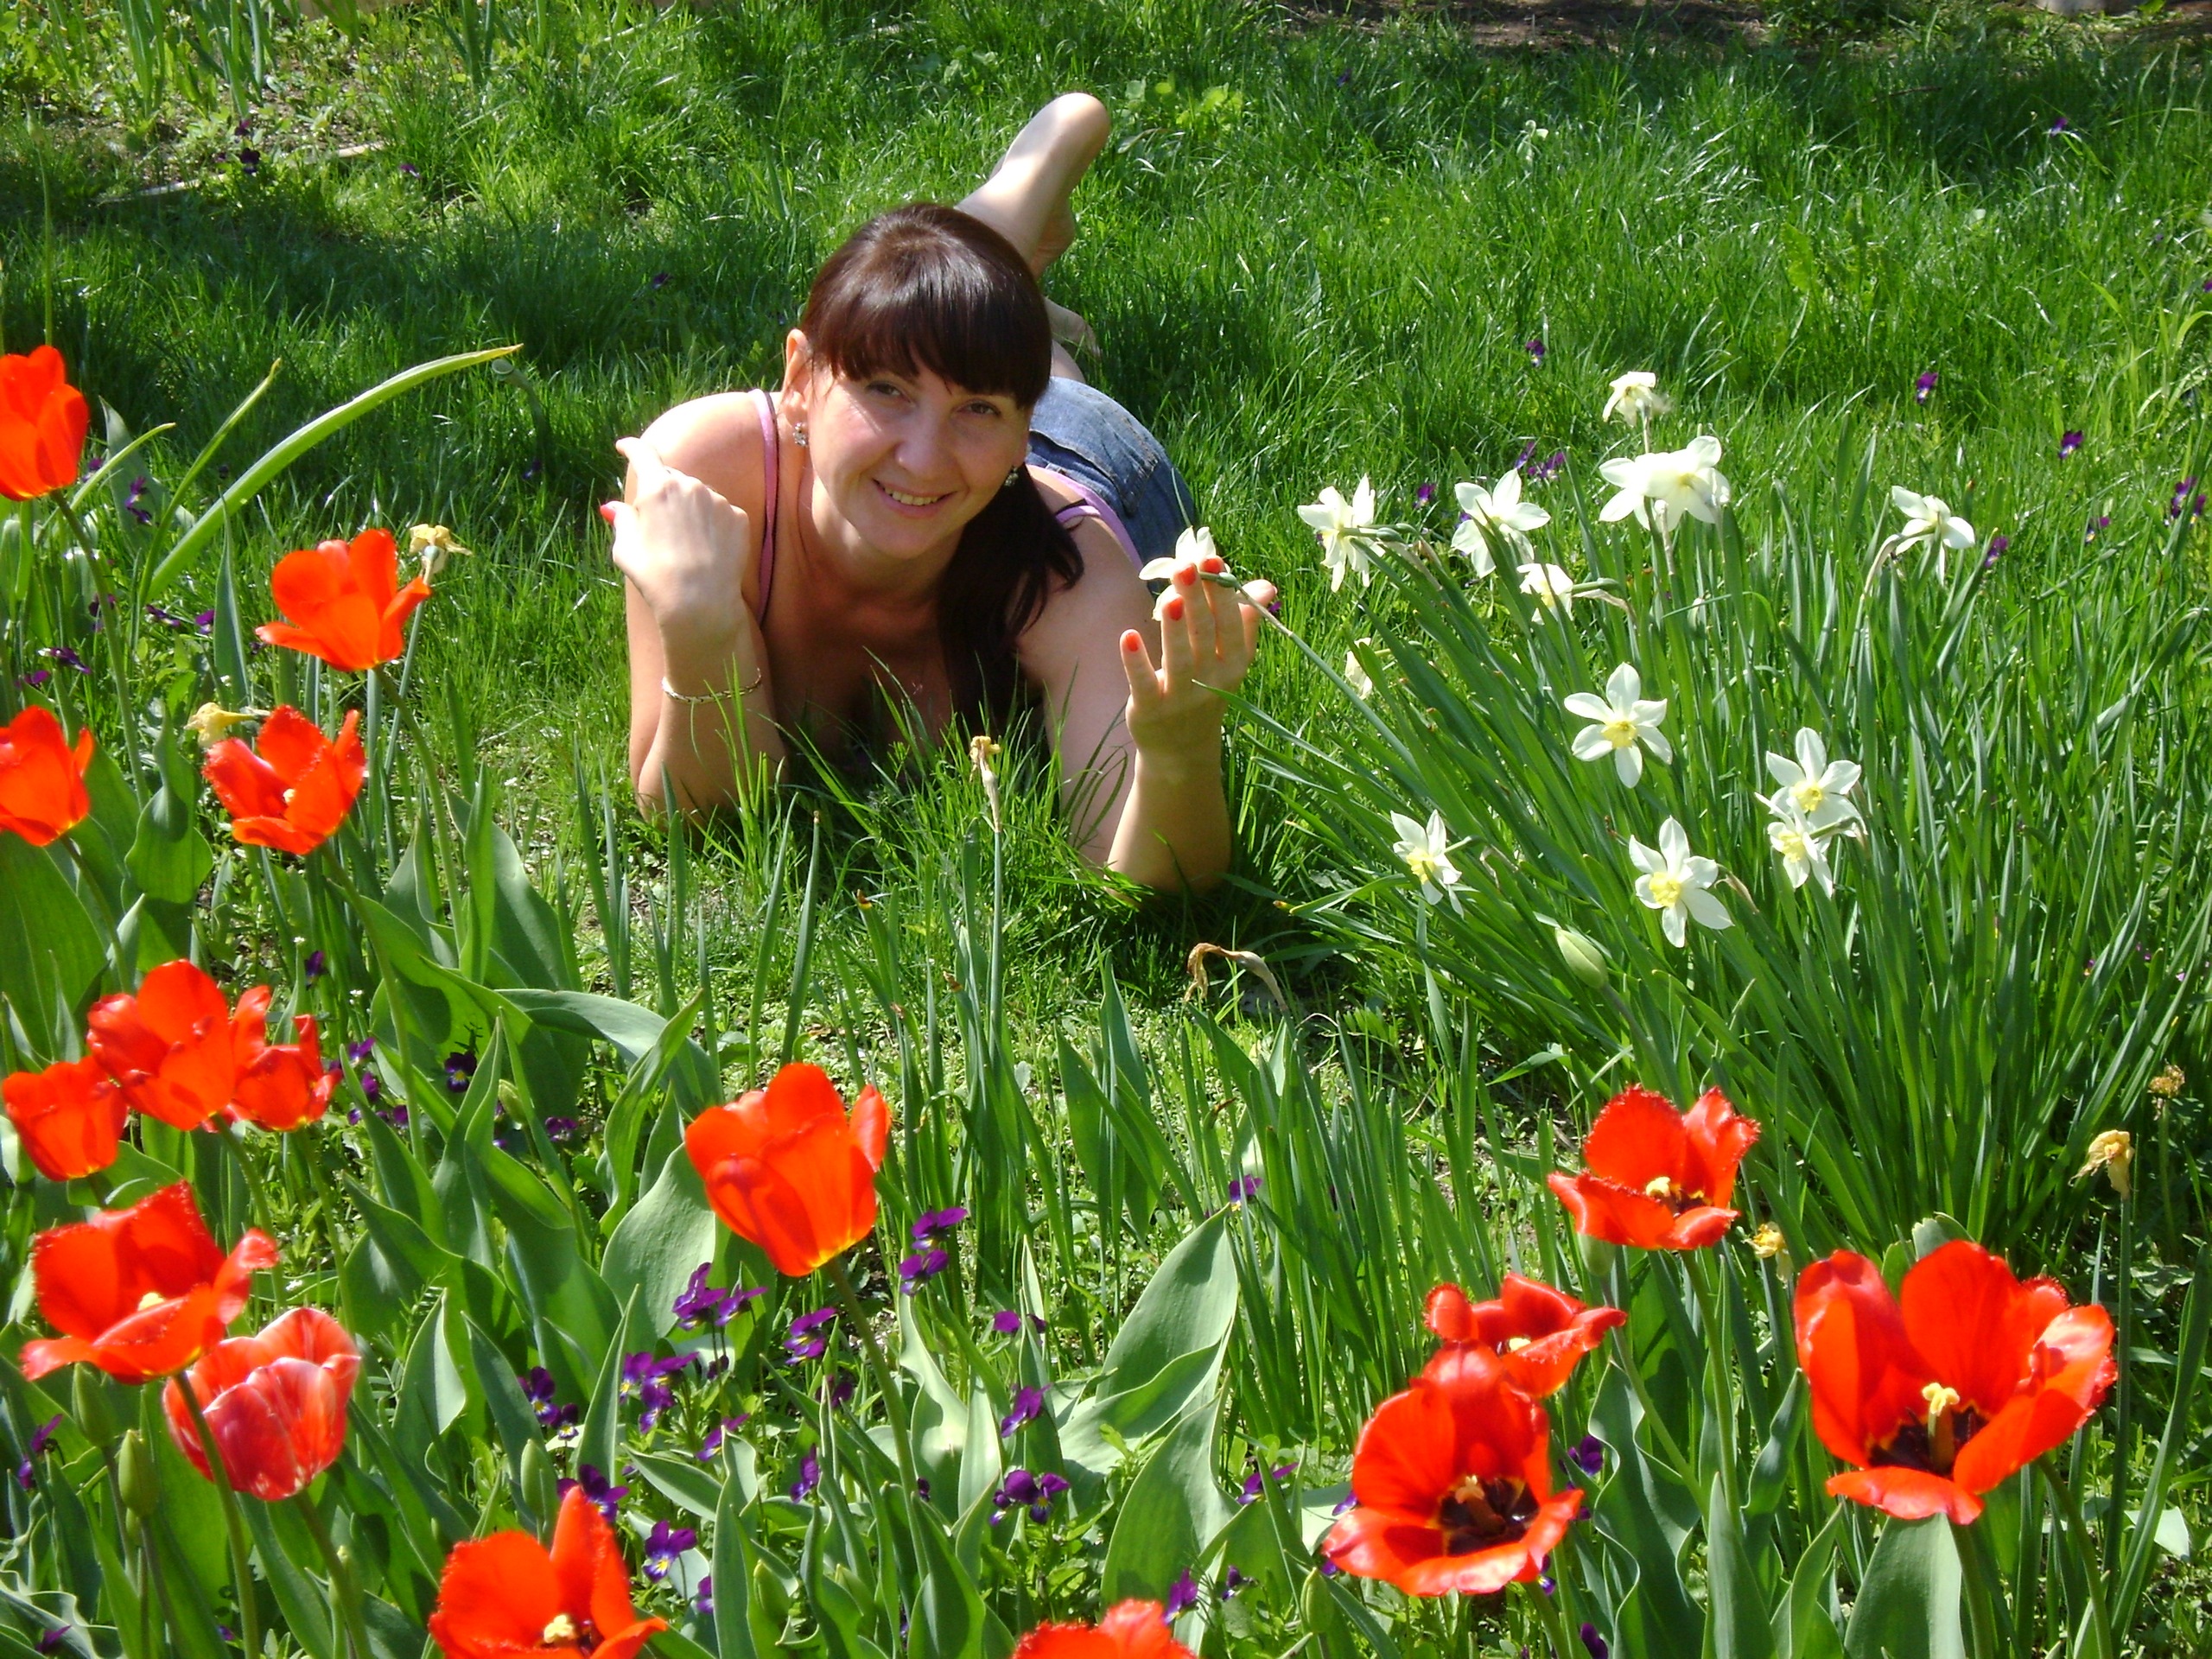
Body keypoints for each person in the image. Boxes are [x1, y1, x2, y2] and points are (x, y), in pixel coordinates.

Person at [604, 93, 1274, 893]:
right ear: (800, 379)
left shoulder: (1073, 573)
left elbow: (1139, 881)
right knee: (954, 312)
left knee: (996, 344)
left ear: (1020, 428)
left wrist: (1180, 752)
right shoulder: (705, 475)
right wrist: (703, 630)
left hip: (1078, 462)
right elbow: (692, 817)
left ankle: (1016, 273)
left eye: (979, 408)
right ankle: (1009, 247)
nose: (922, 460)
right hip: (990, 462)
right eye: (884, 389)